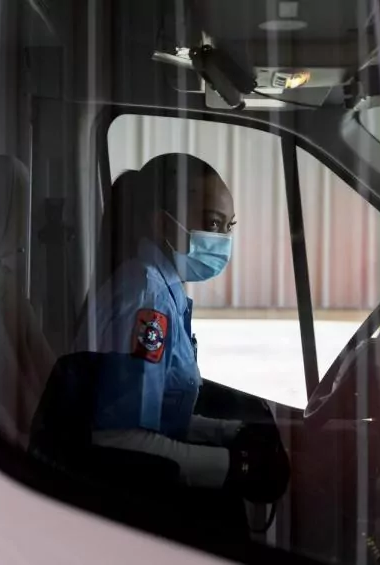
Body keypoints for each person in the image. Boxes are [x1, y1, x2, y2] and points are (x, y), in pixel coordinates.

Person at [72, 153, 289, 504]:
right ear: (163, 223)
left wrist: (229, 432)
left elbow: (162, 414)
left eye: (228, 226)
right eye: (213, 223)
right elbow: (119, 439)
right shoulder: (148, 299)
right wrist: (235, 467)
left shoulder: (160, 287)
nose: (223, 240)